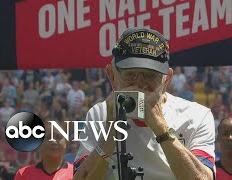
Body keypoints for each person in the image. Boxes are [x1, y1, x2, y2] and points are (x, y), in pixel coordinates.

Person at [73, 27, 215, 180]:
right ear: (112, 76)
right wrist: (109, 138)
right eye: (130, 74)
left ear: (166, 79)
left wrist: (161, 129)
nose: (139, 84)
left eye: (150, 76)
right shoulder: (100, 114)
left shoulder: (196, 116)